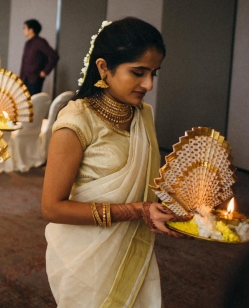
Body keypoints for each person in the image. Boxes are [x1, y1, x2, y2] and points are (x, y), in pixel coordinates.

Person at [41, 17, 189, 307]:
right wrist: (137, 210)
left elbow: (143, 183)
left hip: (133, 247)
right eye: (138, 72)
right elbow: (51, 207)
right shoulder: (76, 122)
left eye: (153, 74)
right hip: (87, 256)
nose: (148, 84)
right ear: (103, 68)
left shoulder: (142, 114)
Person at [20, 19, 59, 96]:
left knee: (33, 101)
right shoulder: (28, 43)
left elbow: (54, 56)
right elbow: (24, 62)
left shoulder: (40, 42)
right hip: (25, 78)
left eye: (25, 28)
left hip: (35, 78)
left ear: (31, 30)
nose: (23, 30)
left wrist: (45, 71)